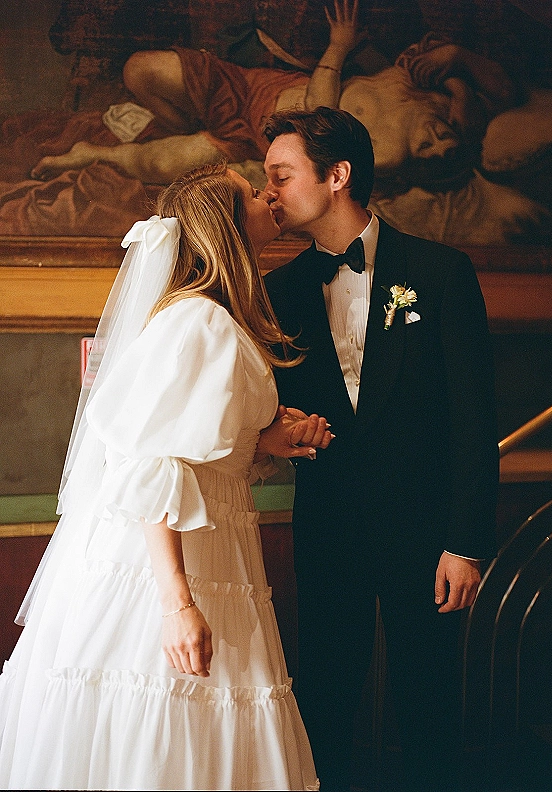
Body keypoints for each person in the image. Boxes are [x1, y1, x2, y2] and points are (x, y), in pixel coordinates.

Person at [0, 161, 333, 791]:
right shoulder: (199, 323)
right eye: (251, 194)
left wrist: (267, 438)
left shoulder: (212, 319)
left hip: (217, 548)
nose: (268, 197)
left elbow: (201, 446)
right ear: (226, 227)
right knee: (155, 716)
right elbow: (151, 465)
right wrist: (178, 604)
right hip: (172, 562)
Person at [262, 106, 499, 792]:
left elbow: (473, 420)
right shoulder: (277, 292)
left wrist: (467, 542)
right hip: (328, 531)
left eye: (280, 175)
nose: (270, 191)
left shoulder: (441, 273)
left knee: (429, 706)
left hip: (429, 540)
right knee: (325, 704)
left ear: (336, 176)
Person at [31, 1, 516, 189]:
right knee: (140, 70)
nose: (432, 141)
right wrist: (458, 60)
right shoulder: (421, 82)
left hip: (264, 137)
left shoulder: (387, 154)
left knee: (158, 167)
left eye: (432, 151)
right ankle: (186, 123)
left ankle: (87, 154)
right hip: (253, 88)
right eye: (443, 136)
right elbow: (506, 90)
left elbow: (321, 114)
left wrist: (338, 48)